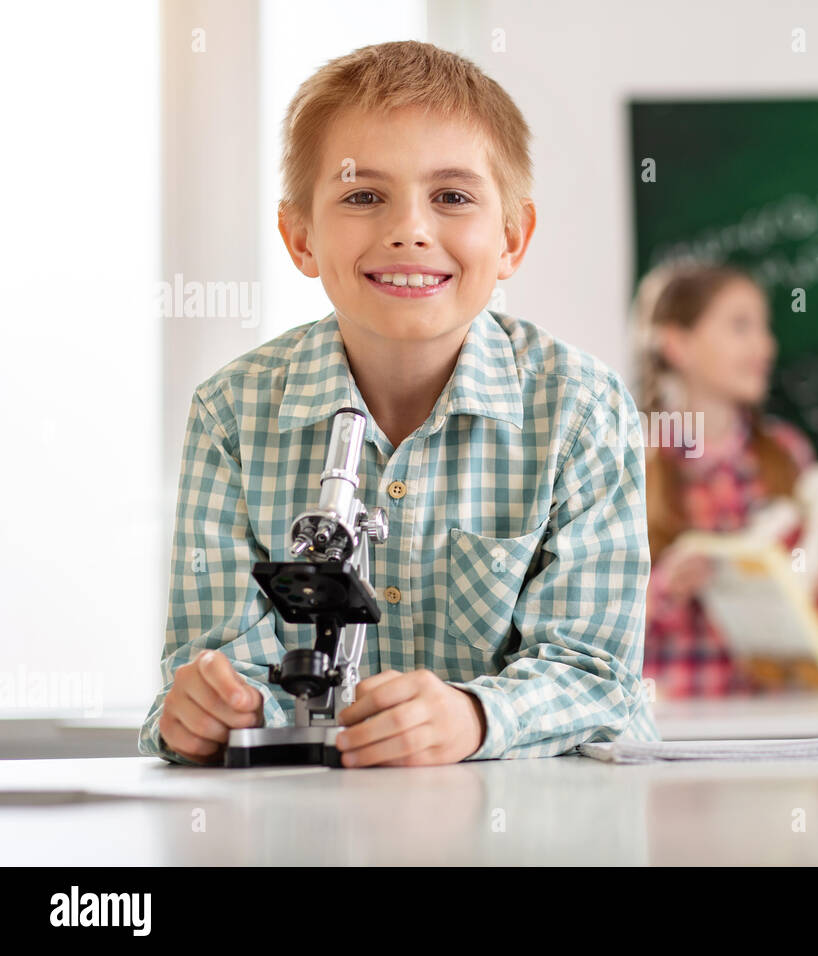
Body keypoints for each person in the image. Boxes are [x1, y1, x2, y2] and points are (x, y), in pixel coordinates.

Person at [140, 41, 656, 766]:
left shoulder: (582, 411)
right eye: (362, 195)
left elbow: (597, 677)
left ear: (511, 237)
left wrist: (475, 718)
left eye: (451, 196)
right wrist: (202, 712)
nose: (409, 229)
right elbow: (218, 664)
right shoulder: (231, 414)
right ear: (300, 236)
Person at [636, 263, 818, 698]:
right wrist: (665, 590)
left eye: (764, 328)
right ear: (677, 344)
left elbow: (802, 606)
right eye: (741, 326)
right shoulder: (629, 459)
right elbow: (585, 622)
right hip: (671, 728)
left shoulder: (787, 454)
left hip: (770, 719)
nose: (766, 346)